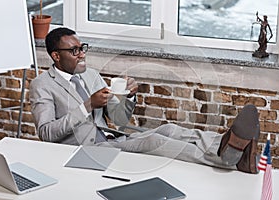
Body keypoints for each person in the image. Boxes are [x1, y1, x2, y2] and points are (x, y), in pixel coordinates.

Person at [30, 27, 261, 174]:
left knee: (168, 129)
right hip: (84, 151)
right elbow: (46, 133)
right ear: (56, 56)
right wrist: (87, 105)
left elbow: (118, 119)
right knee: (153, 142)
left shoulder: (90, 75)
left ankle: (228, 143)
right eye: (74, 50)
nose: (82, 54)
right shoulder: (42, 85)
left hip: (111, 138)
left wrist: (127, 97)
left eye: (82, 48)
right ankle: (229, 161)